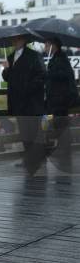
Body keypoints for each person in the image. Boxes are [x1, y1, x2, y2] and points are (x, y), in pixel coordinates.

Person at [2, 35, 45, 174]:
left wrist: (28, 89)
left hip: (31, 102)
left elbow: (41, 76)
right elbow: (7, 78)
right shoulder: (10, 56)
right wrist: (7, 69)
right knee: (24, 132)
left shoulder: (34, 56)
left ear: (24, 41)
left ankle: (36, 160)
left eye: (17, 39)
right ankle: (29, 159)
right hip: (18, 102)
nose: (14, 42)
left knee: (33, 131)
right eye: (13, 39)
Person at [44, 37, 77, 179]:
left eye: (46, 44)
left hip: (60, 99)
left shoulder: (60, 59)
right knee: (60, 125)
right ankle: (63, 151)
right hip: (58, 99)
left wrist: (48, 73)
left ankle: (63, 151)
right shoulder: (58, 58)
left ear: (53, 45)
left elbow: (63, 76)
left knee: (61, 125)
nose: (45, 46)